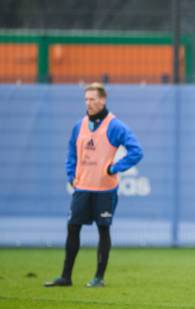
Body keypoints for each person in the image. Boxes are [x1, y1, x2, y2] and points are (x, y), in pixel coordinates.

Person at [45, 82, 143, 288]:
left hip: (105, 190)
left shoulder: (115, 126)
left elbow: (136, 152)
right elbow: (71, 151)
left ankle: (98, 277)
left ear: (103, 99)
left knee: (103, 230)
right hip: (82, 188)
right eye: (86, 99)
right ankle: (66, 277)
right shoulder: (78, 125)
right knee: (73, 228)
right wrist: (71, 175)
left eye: (93, 99)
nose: (88, 103)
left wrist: (115, 168)